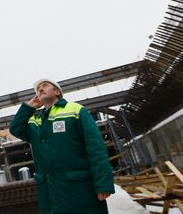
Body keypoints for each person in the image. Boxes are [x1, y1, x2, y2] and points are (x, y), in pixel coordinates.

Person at [9, 78, 114, 214]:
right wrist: (29, 107)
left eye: (45, 85)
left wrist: (103, 184)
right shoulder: (35, 122)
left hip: (79, 190)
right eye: (38, 89)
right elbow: (15, 128)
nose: (40, 89)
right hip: (51, 195)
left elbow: (95, 148)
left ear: (57, 92)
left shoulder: (75, 110)